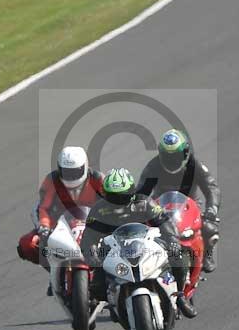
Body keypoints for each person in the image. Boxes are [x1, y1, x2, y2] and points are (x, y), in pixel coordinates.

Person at [80, 168, 196, 318]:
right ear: (105, 193)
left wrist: (172, 240)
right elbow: (89, 237)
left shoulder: (143, 202)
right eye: (113, 196)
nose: (118, 201)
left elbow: (164, 221)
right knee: (97, 283)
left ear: (131, 191)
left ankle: (180, 296)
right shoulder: (99, 209)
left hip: (147, 242)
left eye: (122, 196)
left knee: (178, 254)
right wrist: (92, 255)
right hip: (113, 248)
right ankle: (111, 302)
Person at [17, 146, 104, 294]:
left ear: (85, 167)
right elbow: (44, 207)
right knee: (28, 244)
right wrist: (44, 227)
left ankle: (108, 276)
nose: (71, 176)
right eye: (67, 172)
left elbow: (112, 201)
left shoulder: (97, 178)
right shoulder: (51, 180)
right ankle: (56, 273)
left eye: (75, 172)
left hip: (94, 223)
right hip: (59, 224)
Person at [138, 129, 221, 273]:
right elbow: (141, 191)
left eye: (176, 156)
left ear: (186, 152)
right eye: (167, 156)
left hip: (190, 207)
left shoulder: (194, 165)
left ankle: (207, 255)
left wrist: (212, 209)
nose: (172, 160)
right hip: (160, 209)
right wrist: (138, 206)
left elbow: (211, 187)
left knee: (209, 229)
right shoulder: (153, 166)